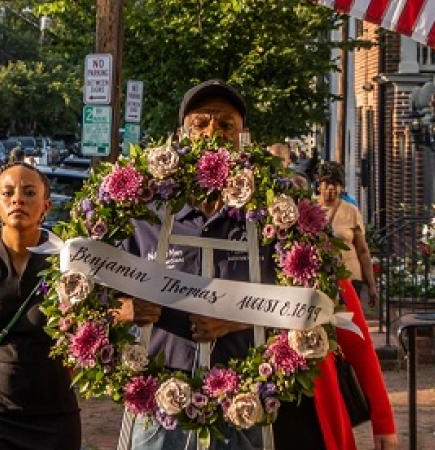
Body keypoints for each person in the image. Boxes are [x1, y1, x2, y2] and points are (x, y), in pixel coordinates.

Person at [117, 80, 395, 450]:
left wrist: (239, 317)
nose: (211, 133)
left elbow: (327, 309)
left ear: (243, 137)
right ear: (179, 135)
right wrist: (125, 311)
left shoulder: (276, 219)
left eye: (225, 124)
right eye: (200, 123)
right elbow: (95, 300)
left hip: (248, 410)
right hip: (162, 413)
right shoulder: (143, 213)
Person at [0, 156, 81, 450]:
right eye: (7, 193)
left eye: (29, 192)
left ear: (46, 206)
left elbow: (84, 338)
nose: (18, 199)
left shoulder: (70, 265)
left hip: (55, 415)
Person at [316, 162, 379, 309]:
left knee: (347, 322)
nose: (331, 187)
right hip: (319, 277)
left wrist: (371, 285)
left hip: (350, 277)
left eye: (336, 184)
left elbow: (363, 250)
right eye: (327, 183)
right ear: (319, 185)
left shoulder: (351, 211)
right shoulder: (309, 208)